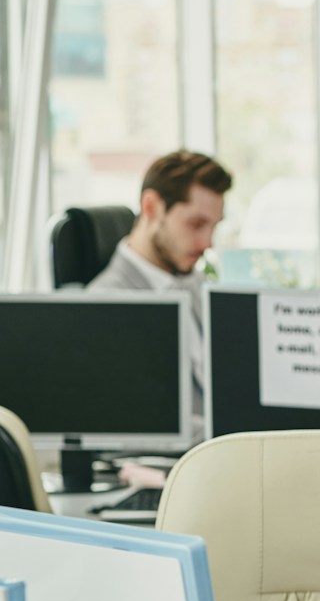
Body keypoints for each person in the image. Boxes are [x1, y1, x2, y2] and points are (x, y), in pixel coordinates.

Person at [90, 149, 231, 432]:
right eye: (196, 224)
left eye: (214, 227)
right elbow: (141, 423)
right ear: (152, 207)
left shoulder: (195, 282)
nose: (207, 243)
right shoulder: (108, 304)